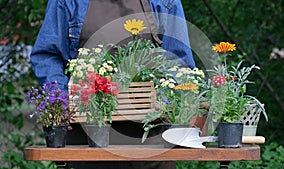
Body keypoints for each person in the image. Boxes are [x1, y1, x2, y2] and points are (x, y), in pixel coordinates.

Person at [30, 0, 196, 168]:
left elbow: (179, 62)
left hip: (151, 142)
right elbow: (47, 55)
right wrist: (62, 101)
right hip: (87, 142)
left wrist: (166, 100)